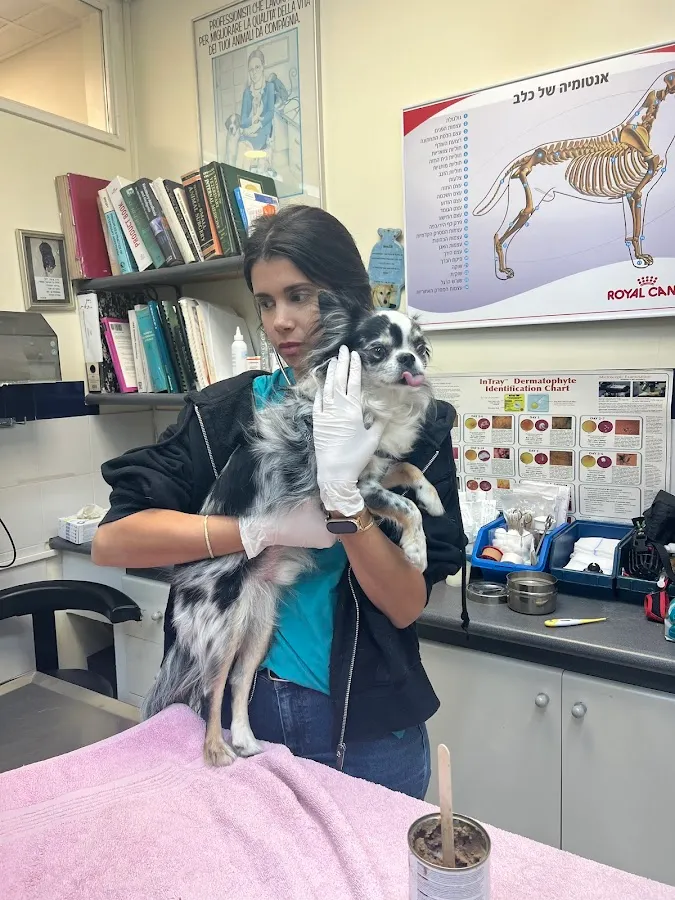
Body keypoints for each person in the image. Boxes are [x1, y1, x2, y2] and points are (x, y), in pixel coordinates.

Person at [92, 205, 466, 800]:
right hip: (242, 714)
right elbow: (113, 542)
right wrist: (257, 530)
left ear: (348, 301)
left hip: (365, 732)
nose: (281, 322)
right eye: (265, 302)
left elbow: (404, 606)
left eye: (300, 296)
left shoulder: (418, 424)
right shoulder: (222, 416)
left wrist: (345, 503)